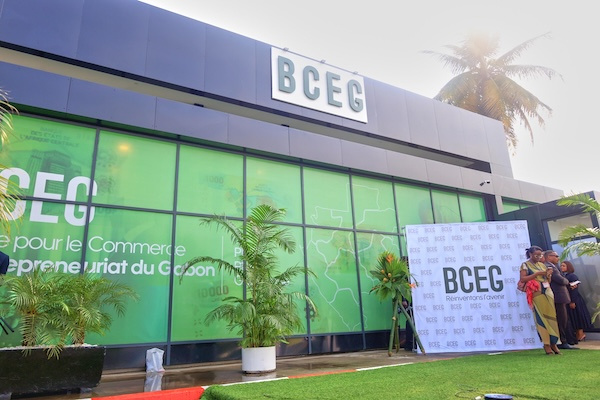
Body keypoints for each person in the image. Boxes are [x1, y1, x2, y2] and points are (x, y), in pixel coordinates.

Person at [519, 246, 561, 355]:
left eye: (540, 255)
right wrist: (537, 274)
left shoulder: (542, 265)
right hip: (536, 292)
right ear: (530, 254)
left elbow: (548, 280)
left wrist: (548, 274)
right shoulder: (525, 265)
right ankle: (546, 344)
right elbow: (523, 279)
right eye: (536, 255)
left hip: (547, 291)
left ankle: (554, 343)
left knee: (552, 317)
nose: (538, 257)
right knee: (541, 318)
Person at [544, 250, 578, 349]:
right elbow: (561, 280)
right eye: (556, 256)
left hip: (560, 297)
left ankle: (563, 341)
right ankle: (562, 341)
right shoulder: (549, 267)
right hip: (557, 297)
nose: (558, 258)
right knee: (561, 319)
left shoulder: (554, 266)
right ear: (549, 257)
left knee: (564, 319)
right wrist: (567, 281)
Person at [561, 260, 593, 342]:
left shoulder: (572, 276)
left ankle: (581, 334)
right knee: (574, 317)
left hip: (574, 299)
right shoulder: (564, 276)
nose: (561, 267)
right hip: (569, 299)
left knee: (577, 316)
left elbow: (574, 290)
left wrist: (573, 301)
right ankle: (578, 334)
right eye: (561, 266)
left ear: (568, 267)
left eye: (563, 266)